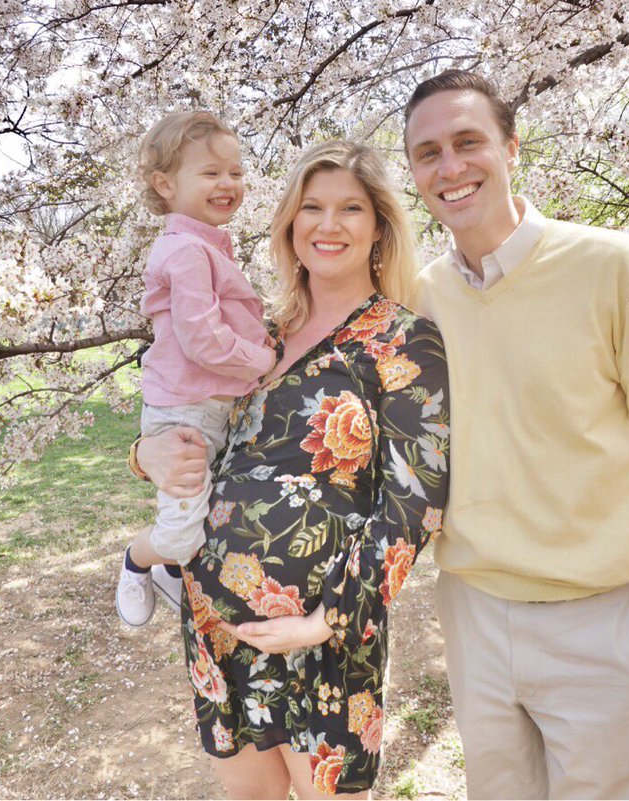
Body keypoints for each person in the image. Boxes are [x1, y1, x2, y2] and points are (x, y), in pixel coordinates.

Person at [403, 70, 629, 799]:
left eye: (467, 141)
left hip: (603, 620)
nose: (450, 167)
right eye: (428, 153)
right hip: (473, 611)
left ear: (511, 148)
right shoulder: (422, 298)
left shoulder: (613, 267)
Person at [132, 140, 450, 798]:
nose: (328, 225)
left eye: (350, 209)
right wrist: (140, 456)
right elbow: (182, 417)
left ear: (379, 227)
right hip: (217, 625)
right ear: (289, 223)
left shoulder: (401, 337)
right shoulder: (255, 334)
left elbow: (416, 500)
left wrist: (328, 619)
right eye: (312, 207)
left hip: (323, 635)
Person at [116, 110, 277, 627]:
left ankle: (168, 573)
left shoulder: (205, 246)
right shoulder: (186, 250)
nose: (228, 183)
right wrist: (264, 360)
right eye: (210, 173)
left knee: (204, 518)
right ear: (165, 184)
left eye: (235, 172)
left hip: (206, 409)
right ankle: (139, 559)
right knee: (183, 531)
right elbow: (204, 340)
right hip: (186, 415)